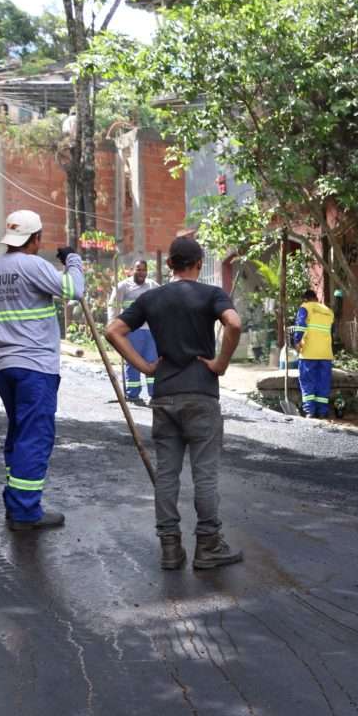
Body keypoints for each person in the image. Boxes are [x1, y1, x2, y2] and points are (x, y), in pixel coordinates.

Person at [105, 236, 244, 571]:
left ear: (169, 265)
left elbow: (113, 331)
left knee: (167, 474)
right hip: (201, 394)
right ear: (198, 264)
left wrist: (146, 366)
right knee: (204, 475)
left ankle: (170, 548)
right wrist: (220, 364)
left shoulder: (151, 298)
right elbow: (234, 324)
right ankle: (208, 545)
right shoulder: (211, 294)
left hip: (164, 395)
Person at [0, 210, 84, 531]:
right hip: (35, 368)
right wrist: (73, 260)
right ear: (36, 238)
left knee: (19, 433)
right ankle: (25, 511)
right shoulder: (32, 265)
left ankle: (15, 499)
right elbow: (74, 290)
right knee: (35, 435)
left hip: (4, 368)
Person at [108, 259, 160, 404]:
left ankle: (154, 394)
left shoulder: (153, 286)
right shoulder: (123, 286)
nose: (141, 272)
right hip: (131, 331)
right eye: (138, 269)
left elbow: (163, 301)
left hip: (150, 331)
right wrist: (113, 325)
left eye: (144, 270)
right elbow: (113, 306)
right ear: (132, 270)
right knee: (132, 362)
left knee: (152, 362)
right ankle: (133, 395)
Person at [293, 289, 335, 419]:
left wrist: (296, 341)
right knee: (323, 382)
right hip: (326, 354)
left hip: (309, 353)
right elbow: (332, 331)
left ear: (305, 299)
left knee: (308, 381)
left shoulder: (305, 307)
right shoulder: (328, 311)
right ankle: (322, 412)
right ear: (316, 298)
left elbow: (300, 326)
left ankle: (310, 411)